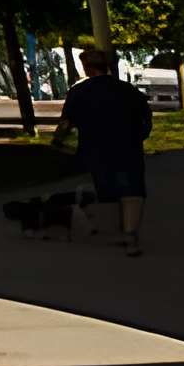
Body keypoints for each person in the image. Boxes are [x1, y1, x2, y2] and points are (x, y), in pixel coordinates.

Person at [57, 46, 155, 255]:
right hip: (128, 147)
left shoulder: (79, 92)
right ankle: (130, 234)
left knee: (107, 191)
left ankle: (116, 233)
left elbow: (66, 122)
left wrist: (58, 141)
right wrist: (140, 136)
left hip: (96, 149)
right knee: (132, 190)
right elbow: (146, 118)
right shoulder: (127, 89)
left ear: (87, 68)